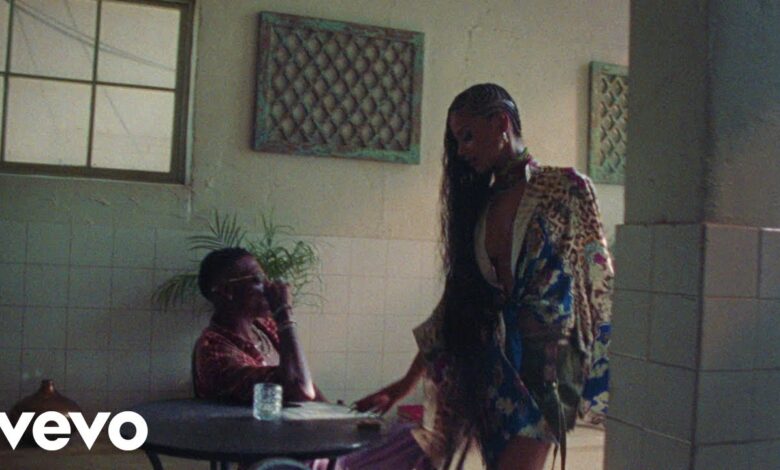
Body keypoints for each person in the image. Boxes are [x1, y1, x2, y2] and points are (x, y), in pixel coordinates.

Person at [355, 83, 613, 470]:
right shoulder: (480, 206)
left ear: (501, 123)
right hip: (492, 370)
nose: (461, 151)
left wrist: (603, 372)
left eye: (468, 136)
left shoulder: (566, 188)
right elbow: (456, 305)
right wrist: (405, 384)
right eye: (457, 141)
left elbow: (599, 283)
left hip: (548, 369)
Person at [193, 247, 323, 404]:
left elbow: (305, 379)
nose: (268, 286)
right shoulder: (214, 352)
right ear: (227, 291)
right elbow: (299, 388)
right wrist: (284, 313)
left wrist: (333, 411)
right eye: (258, 279)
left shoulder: (265, 327)